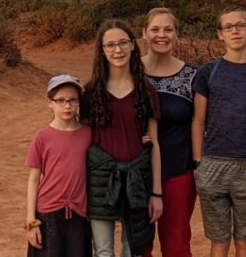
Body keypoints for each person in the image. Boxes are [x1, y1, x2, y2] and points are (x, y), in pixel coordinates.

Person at [191, 6, 246, 257]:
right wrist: (198, 162)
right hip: (213, 164)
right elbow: (198, 121)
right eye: (228, 27)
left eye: (240, 25)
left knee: (244, 241)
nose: (235, 31)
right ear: (220, 34)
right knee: (218, 241)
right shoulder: (208, 73)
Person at [83, 19, 163, 257]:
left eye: (122, 43)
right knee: (103, 252)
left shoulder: (146, 91)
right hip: (100, 181)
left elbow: (155, 144)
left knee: (133, 251)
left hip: (137, 180)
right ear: (102, 50)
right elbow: (81, 140)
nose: (117, 50)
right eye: (110, 45)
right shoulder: (90, 92)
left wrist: (156, 193)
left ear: (132, 45)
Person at [141, 8, 200, 257]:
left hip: (178, 171)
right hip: (136, 173)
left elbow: (207, 118)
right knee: (139, 245)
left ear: (176, 34)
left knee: (177, 244)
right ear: (144, 34)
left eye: (168, 29)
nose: (161, 35)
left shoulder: (193, 76)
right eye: (155, 29)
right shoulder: (129, 72)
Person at [27, 74, 94, 257]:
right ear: (50, 103)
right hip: (47, 213)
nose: (67, 105)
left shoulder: (88, 134)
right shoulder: (41, 137)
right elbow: (34, 180)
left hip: (79, 213)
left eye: (72, 100)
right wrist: (31, 221)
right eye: (61, 100)